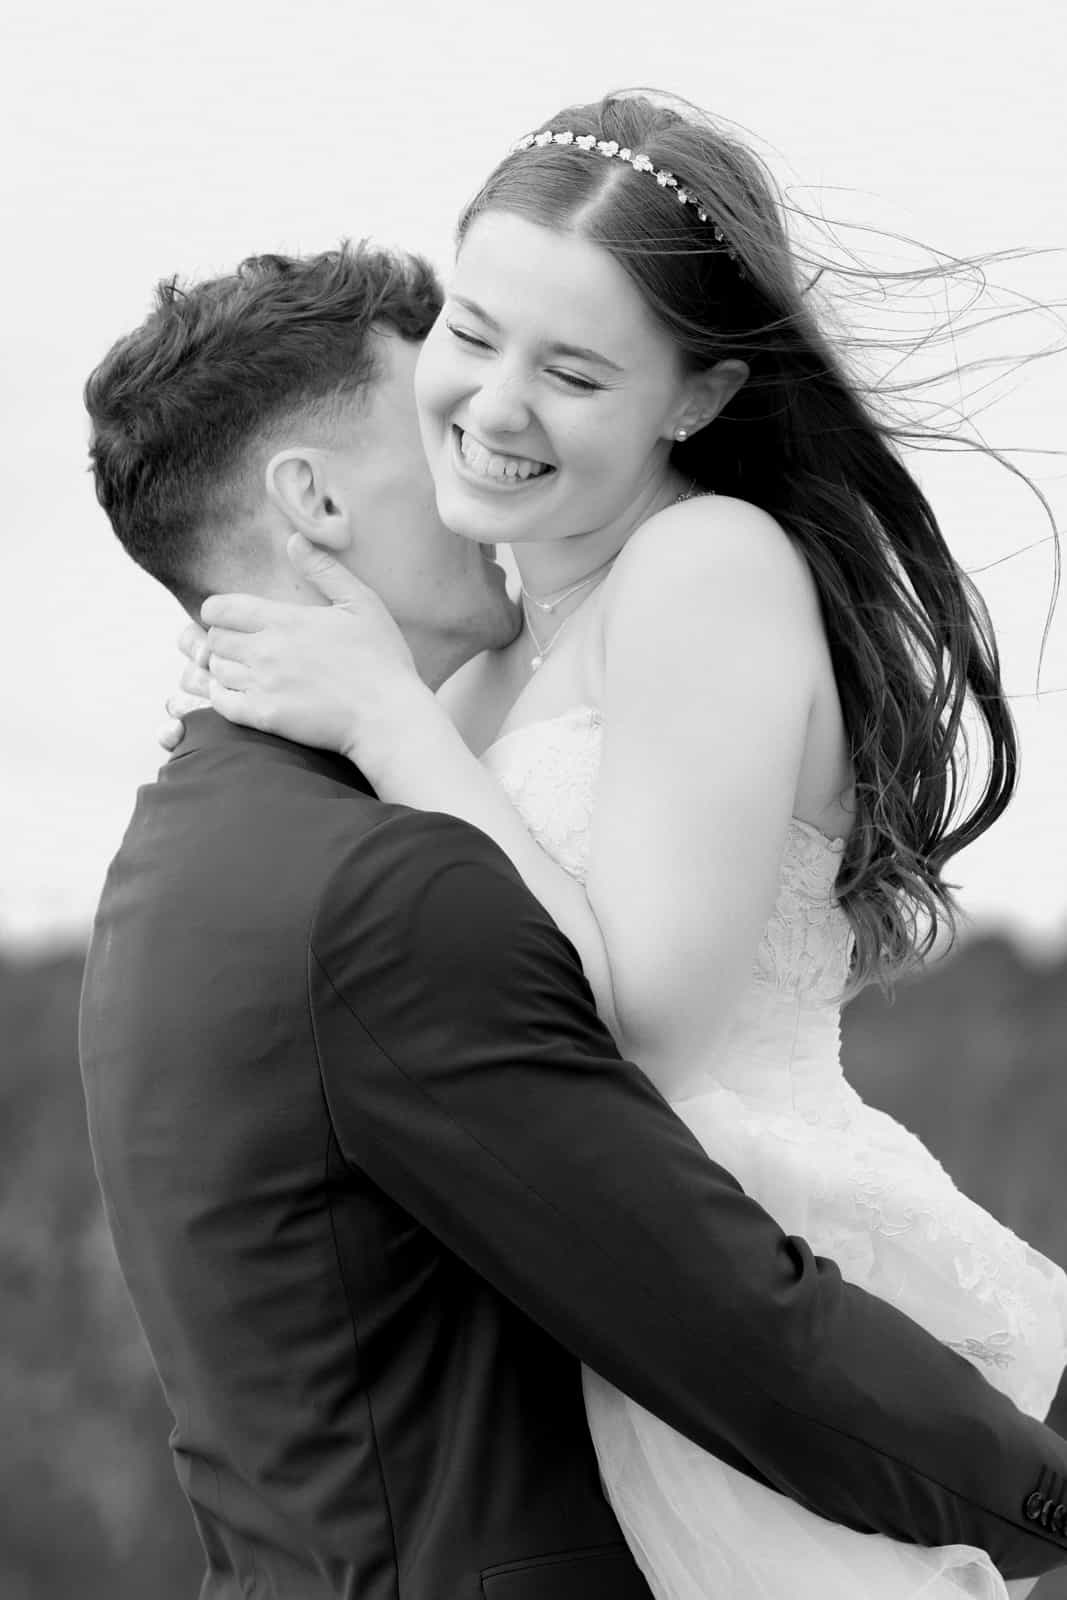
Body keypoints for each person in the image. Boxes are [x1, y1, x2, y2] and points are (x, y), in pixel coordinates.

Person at [163, 95, 1067, 1598]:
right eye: (472, 330)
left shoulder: (706, 568)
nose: (495, 405)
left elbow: (639, 1020)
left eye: (573, 371)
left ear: (696, 401)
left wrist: (399, 729)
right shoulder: (486, 661)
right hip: (598, 1356)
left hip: (758, 1326)